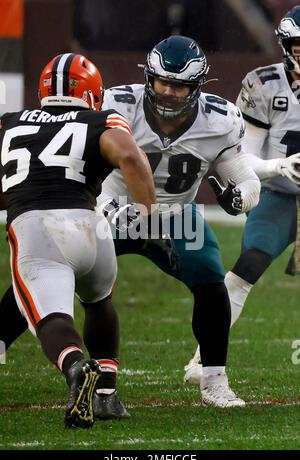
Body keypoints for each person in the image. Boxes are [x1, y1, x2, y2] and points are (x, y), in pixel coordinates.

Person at [0, 36, 260, 409]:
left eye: (180, 85)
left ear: (197, 86)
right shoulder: (115, 103)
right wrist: (110, 207)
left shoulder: (219, 119)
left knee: (212, 285)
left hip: (174, 216)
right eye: (162, 83)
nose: (169, 93)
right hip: (109, 211)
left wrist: (241, 198)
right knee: (36, 284)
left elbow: (245, 176)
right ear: (148, 78)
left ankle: (214, 380)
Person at [0, 52, 160, 427]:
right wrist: (149, 219)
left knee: (50, 320)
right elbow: (130, 158)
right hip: (93, 228)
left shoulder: (9, 122)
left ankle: (76, 368)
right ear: (92, 92)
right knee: (99, 300)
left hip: (37, 229)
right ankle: (107, 394)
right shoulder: (101, 117)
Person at [184, 6, 300, 385]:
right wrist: (277, 167)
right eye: (298, 45)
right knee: (248, 265)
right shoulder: (265, 84)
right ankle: (203, 358)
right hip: (279, 193)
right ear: (286, 46)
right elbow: (242, 152)